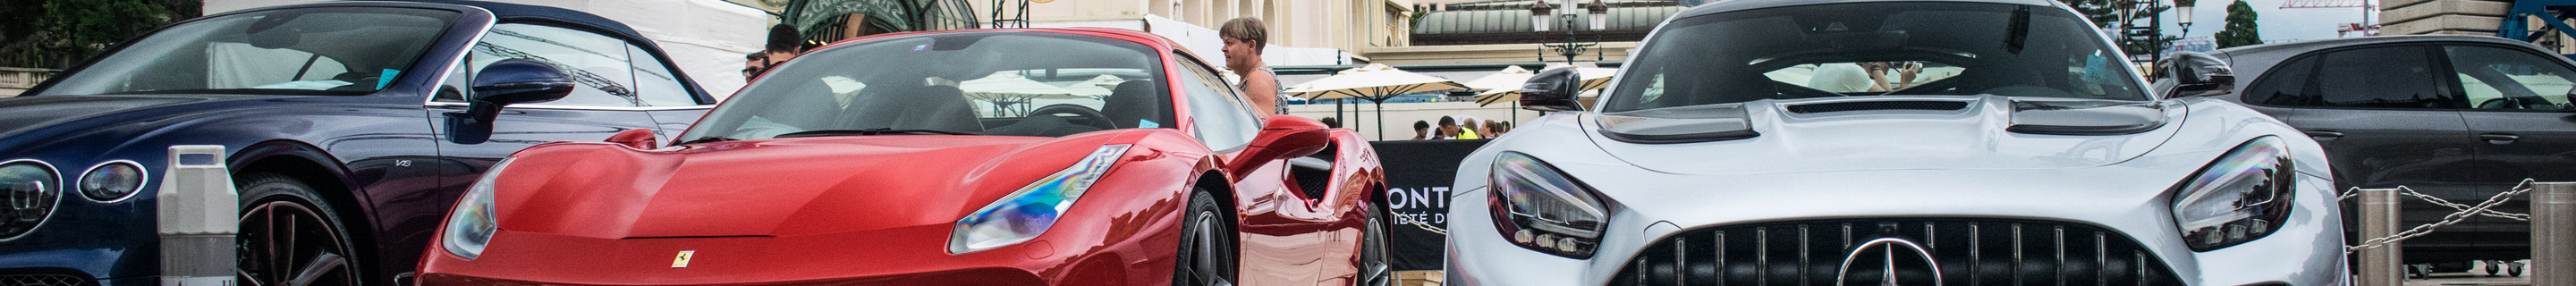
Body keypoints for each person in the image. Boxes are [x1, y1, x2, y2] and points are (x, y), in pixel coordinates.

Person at [1220, 18, 1283, 118]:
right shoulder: (1253, 76)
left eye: (1229, 43)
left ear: (1251, 45)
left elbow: (1260, 127)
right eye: (1224, 43)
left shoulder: (1259, 78)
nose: (1223, 49)